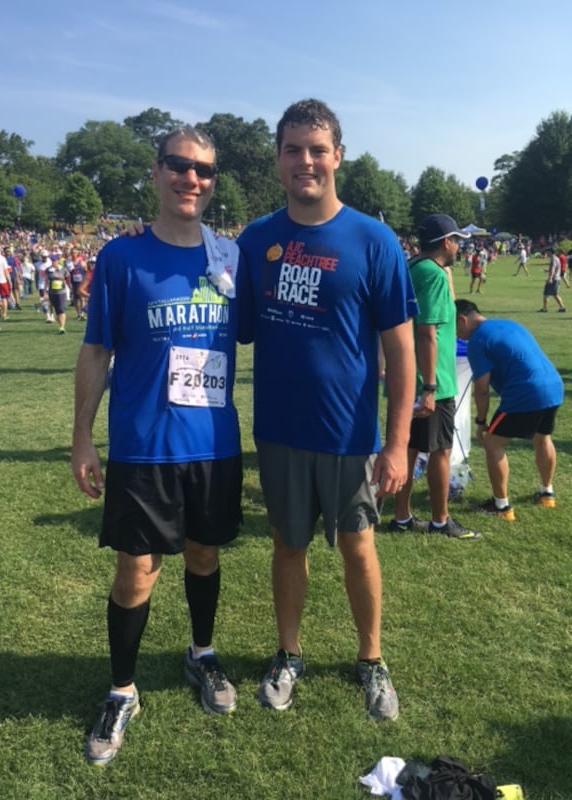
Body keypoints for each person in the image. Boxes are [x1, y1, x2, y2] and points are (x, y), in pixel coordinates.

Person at [237, 99, 418, 720]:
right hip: (281, 431)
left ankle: (371, 659)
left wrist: (396, 444)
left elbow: (401, 352)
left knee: (358, 545)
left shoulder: (373, 239)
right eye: (293, 149)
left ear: (338, 155)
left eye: (318, 149)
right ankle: (288, 653)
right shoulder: (256, 240)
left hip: (347, 434)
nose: (306, 161)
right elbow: (230, 324)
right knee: (288, 546)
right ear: (279, 159)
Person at [71, 125, 242, 766]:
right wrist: (83, 435)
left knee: (204, 555)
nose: (190, 178)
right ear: (157, 171)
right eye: (179, 165)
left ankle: (202, 654)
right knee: (135, 573)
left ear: (212, 181)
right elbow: (96, 349)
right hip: (143, 446)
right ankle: (122, 690)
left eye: (203, 170)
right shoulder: (122, 257)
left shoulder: (229, 257)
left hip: (213, 444)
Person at [390, 214, 481, 541]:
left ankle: (402, 516)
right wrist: (429, 386)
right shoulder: (433, 275)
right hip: (432, 381)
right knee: (440, 451)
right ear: (446, 242)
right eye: (456, 240)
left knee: (410, 450)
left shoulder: (412, 267)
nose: (458, 246)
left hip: (410, 376)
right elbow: (428, 331)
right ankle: (441, 520)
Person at [455, 299, 564, 519]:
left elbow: (482, 389)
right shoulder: (510, 324)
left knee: (493, 443)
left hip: (525, 393)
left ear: (462, 320)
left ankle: (501, 506)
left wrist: (481, 421)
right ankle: (547, 494)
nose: (456, 334)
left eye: (453, 327)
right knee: (543, 438)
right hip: (553, 386)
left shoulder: (477, 340)